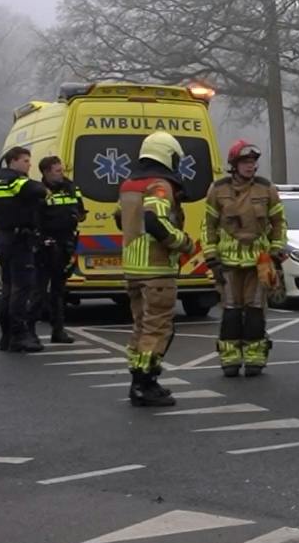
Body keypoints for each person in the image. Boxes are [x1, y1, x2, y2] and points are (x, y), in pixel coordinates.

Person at [120, 131, 197, 408]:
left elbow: (121, 219)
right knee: (157, 329)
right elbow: (155, 220)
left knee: (141, 327)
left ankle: (139, 382)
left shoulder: (130, 184)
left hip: (132, 267)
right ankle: (145, 384)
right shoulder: (159, 184)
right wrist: (183, 243)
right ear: (166, 154)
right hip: (156, 268)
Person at [205, 140, 287, 378]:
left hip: (258, 263)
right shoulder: (218, 190)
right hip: (228, 265)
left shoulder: (266, 189)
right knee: (230, 311)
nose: (250, 167)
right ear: (234, 165)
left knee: (254, 311)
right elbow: (208, 226)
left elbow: (279, 222)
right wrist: (212, 258)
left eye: (253, 162)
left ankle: (255, 358)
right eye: (245, 162)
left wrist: (275, 251)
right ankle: (229, 359)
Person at [0, 146, 46, 353]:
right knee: (22, 288)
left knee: (8, 289)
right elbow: (38, 190)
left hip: (4, 238)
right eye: (26, 160)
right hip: (20, 240)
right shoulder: (15, 180)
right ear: (13, 161)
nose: (29, 165)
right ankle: (19, 335)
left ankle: (7, 335)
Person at [35, 156, 85, 345]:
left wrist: (76, 216)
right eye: (57, 171)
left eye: (61, 170)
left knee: (59, 291)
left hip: (66, 243)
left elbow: (80, 211)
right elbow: (35, 218)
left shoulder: (71, 187)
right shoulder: (40, 192)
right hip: (46, 244)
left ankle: (58, 331)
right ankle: (30, 330)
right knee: (38, 290)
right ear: (46, 172)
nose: (61, 174)